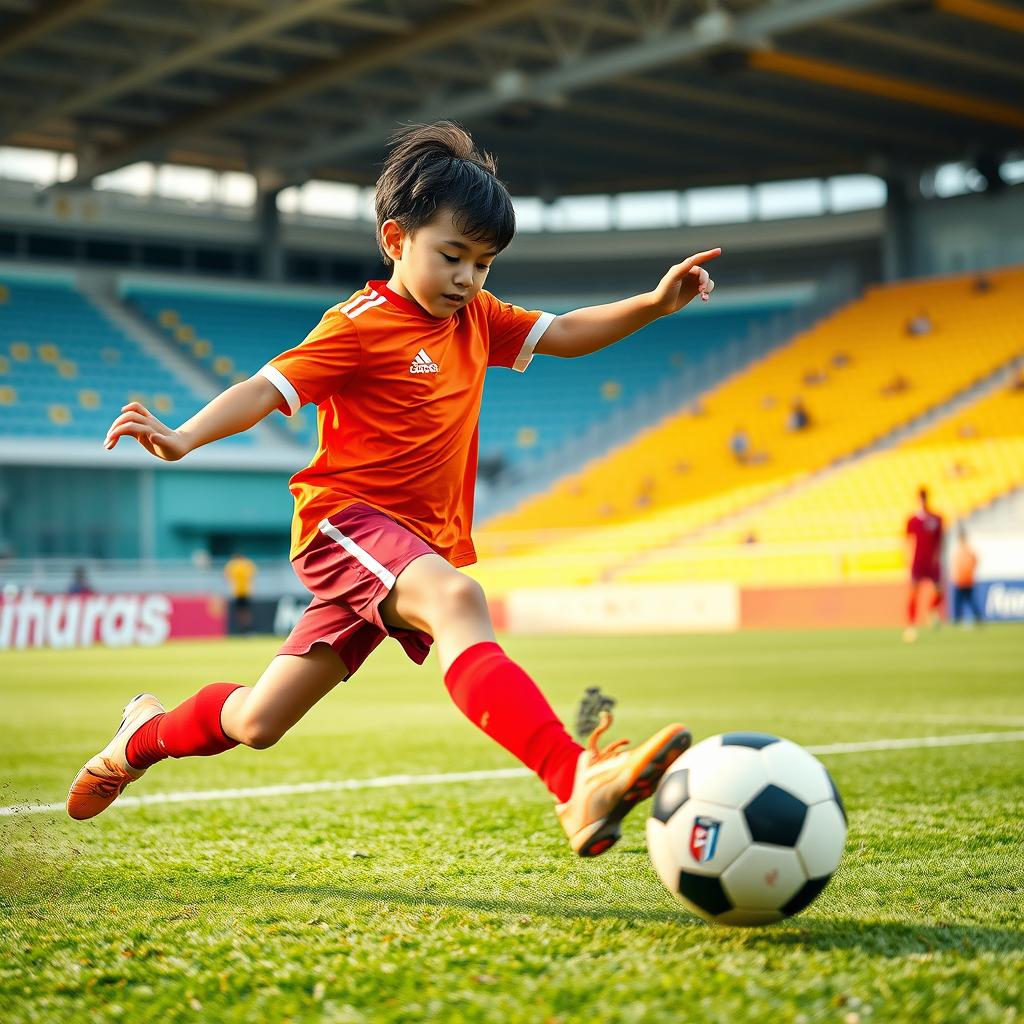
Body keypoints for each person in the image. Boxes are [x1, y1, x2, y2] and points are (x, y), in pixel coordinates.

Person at [66, 122, 716, 858]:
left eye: (484, 263)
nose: (469, 278)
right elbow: (265, 388)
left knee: (258, 723)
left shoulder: (478, 317)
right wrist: (183, 435)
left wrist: (653, 305)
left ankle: (138, 736)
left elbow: (563, 332)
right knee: (457, 601)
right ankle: (576, 781)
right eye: (452, 256)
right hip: (345, 526)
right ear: (395, 238)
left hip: (404, 551)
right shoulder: (359, 324)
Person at [904, 486, 944, 643]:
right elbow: (907, 542)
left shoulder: (936, 519)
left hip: (932, 562)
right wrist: (908, 561)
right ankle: (911, 626)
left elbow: (941, 541)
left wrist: (938, 557)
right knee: (914, 593)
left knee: (939, 592)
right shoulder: (912, 521)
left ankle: (931, 610)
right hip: (917, 562)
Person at [951, 524, 982, 627]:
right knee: (960, 602)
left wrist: (969, 571)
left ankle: (977, 618)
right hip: (960, 580)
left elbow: (975, 562)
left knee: (969, 601)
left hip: (966, 580)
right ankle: (958, 620)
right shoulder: (961, 550)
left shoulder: (967, 550)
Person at [224, 551, 257, 634]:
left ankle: (244, 628)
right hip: (243, 592)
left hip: (239, 592)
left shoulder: (232, 565)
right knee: (245, 611)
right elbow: (252, 576)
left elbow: (227, 577)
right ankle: (245, 628)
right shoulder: (246, 564)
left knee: (242, 611)